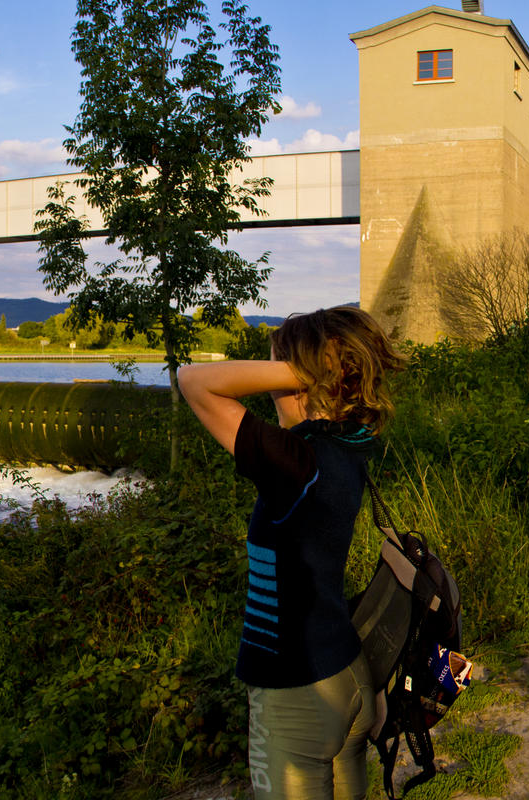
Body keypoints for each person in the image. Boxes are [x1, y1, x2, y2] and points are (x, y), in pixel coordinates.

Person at [173, 306, 403, 800]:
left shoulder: (295, 462)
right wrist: (322, 369)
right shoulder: (348, 446)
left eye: (276, 370)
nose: (271, 384)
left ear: (302, 379)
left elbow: (192, 381)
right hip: (348, 676)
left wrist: (305, 367)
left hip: (298, 693)